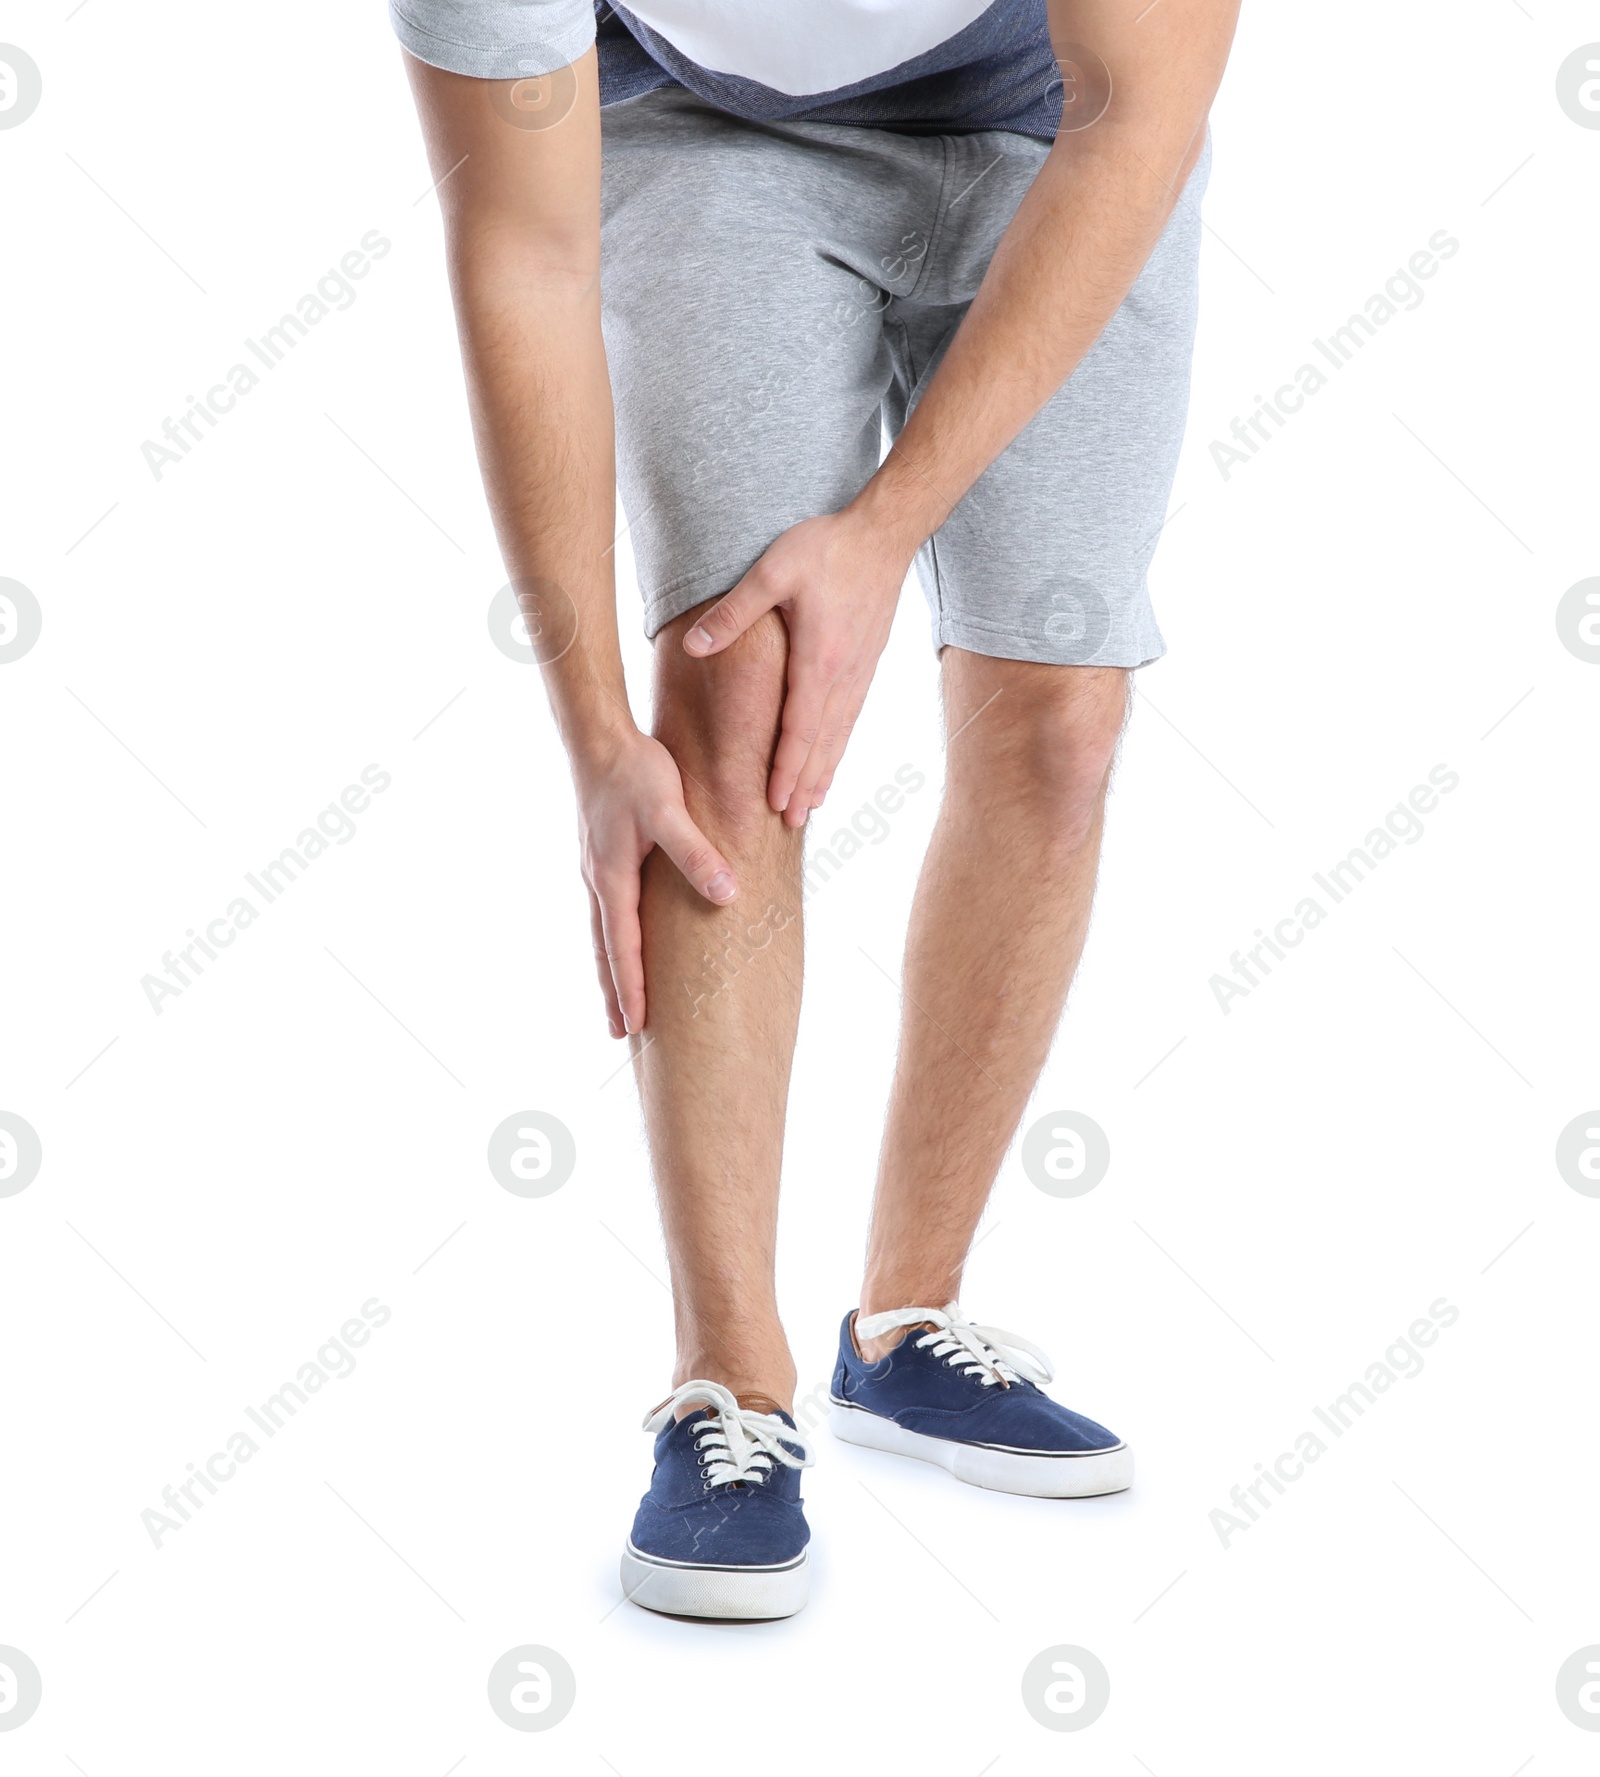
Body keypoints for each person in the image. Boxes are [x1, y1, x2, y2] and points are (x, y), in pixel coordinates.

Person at [394, 0, 1239, 1619]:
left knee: (1059, 714)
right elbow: (522, 256)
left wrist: (884, 527)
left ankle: (907, 1329)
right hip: (719, 135)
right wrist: (591, 737)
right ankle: (732, 1385)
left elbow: (1140, 109)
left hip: (1054, 123)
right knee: (736, 691)